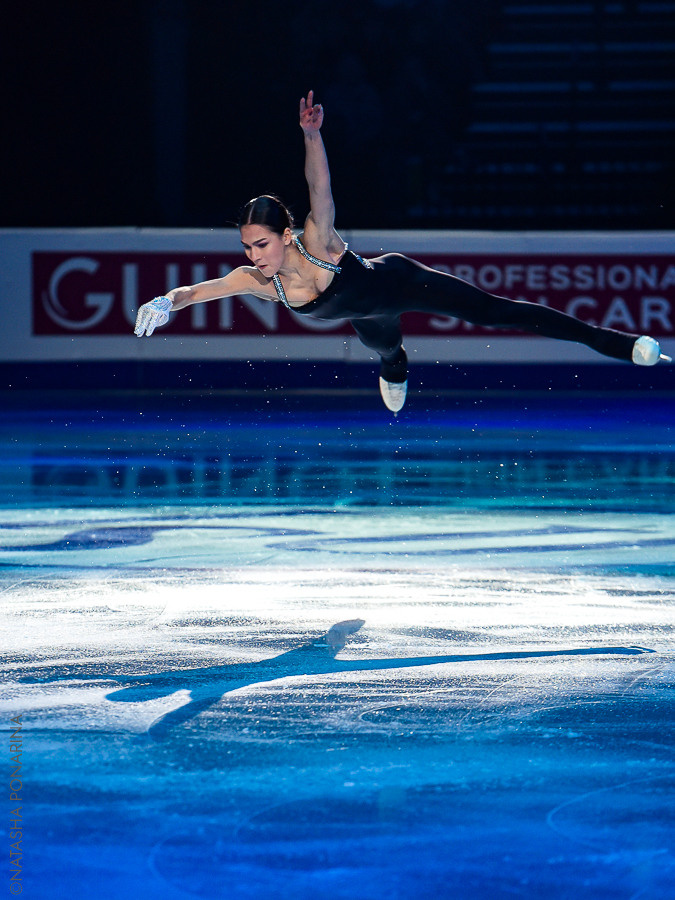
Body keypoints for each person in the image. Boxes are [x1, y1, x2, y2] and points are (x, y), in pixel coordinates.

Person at [135, 91, 670, 412]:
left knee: (493, 312)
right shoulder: (256, 281)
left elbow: (319, 188)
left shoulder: (317, 243)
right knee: (386, 348)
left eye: (262, 243)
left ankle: (621, 345)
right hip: (367, 314)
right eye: (248, 246)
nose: (255, 255)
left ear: (285, 234)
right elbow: (197, 291)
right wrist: (165, 302)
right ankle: (395, 368)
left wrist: (311, 137)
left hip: (396, 281)